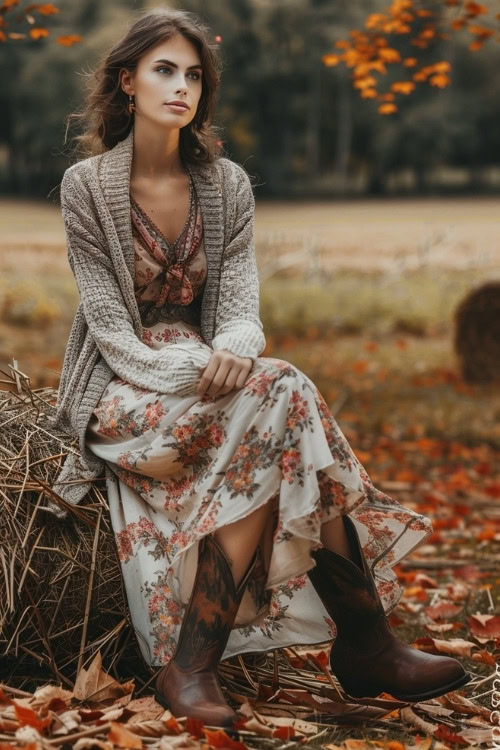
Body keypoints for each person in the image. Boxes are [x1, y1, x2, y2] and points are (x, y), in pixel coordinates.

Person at [55, 6, 471, 729]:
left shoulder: (226, 185)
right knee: (283, 391)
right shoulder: (85, 187)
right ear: (127, 81)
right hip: (125, 394)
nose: (180, 86)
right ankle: (361, 641)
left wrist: (234, 352)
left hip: (225, 381)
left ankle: (201, 664)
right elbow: (111, 330)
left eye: (192, 74)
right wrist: (197, 372)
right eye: (163, 70)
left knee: (278, 389)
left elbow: (243, 306)